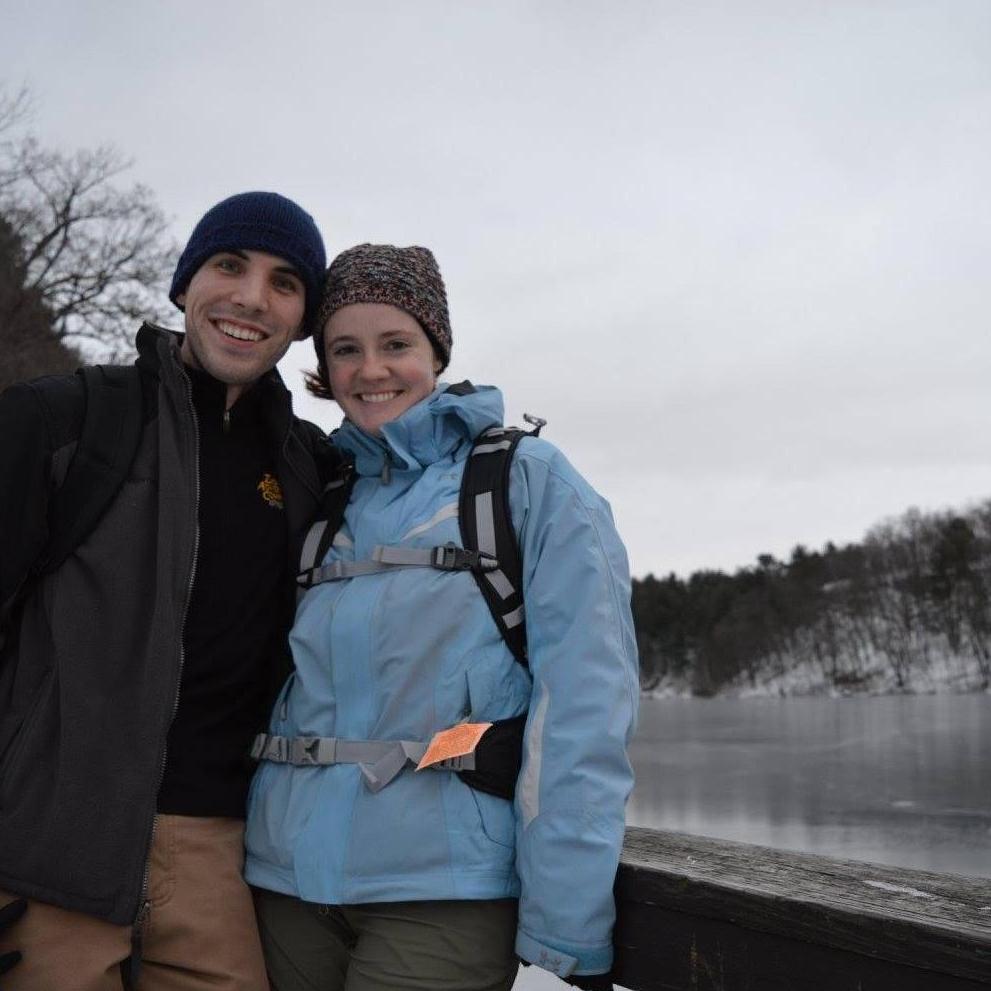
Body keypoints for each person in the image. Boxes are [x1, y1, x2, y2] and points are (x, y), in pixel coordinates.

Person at [245, 243, 639, 990]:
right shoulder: (324, 492)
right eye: (345, 350)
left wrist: (564, 933)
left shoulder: (527, 481)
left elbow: (584, 713)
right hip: (286, 886)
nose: (371, 370)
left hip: (444, 894)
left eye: (395, 344)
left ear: (437, 350)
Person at [0, 191, 337, 990]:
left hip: (217, 851)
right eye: (229, 266)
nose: (252, 298)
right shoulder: (62, 421)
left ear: (302, 317)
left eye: (285, 282)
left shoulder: (309, 467)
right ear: (186, 283)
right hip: (47, 846)